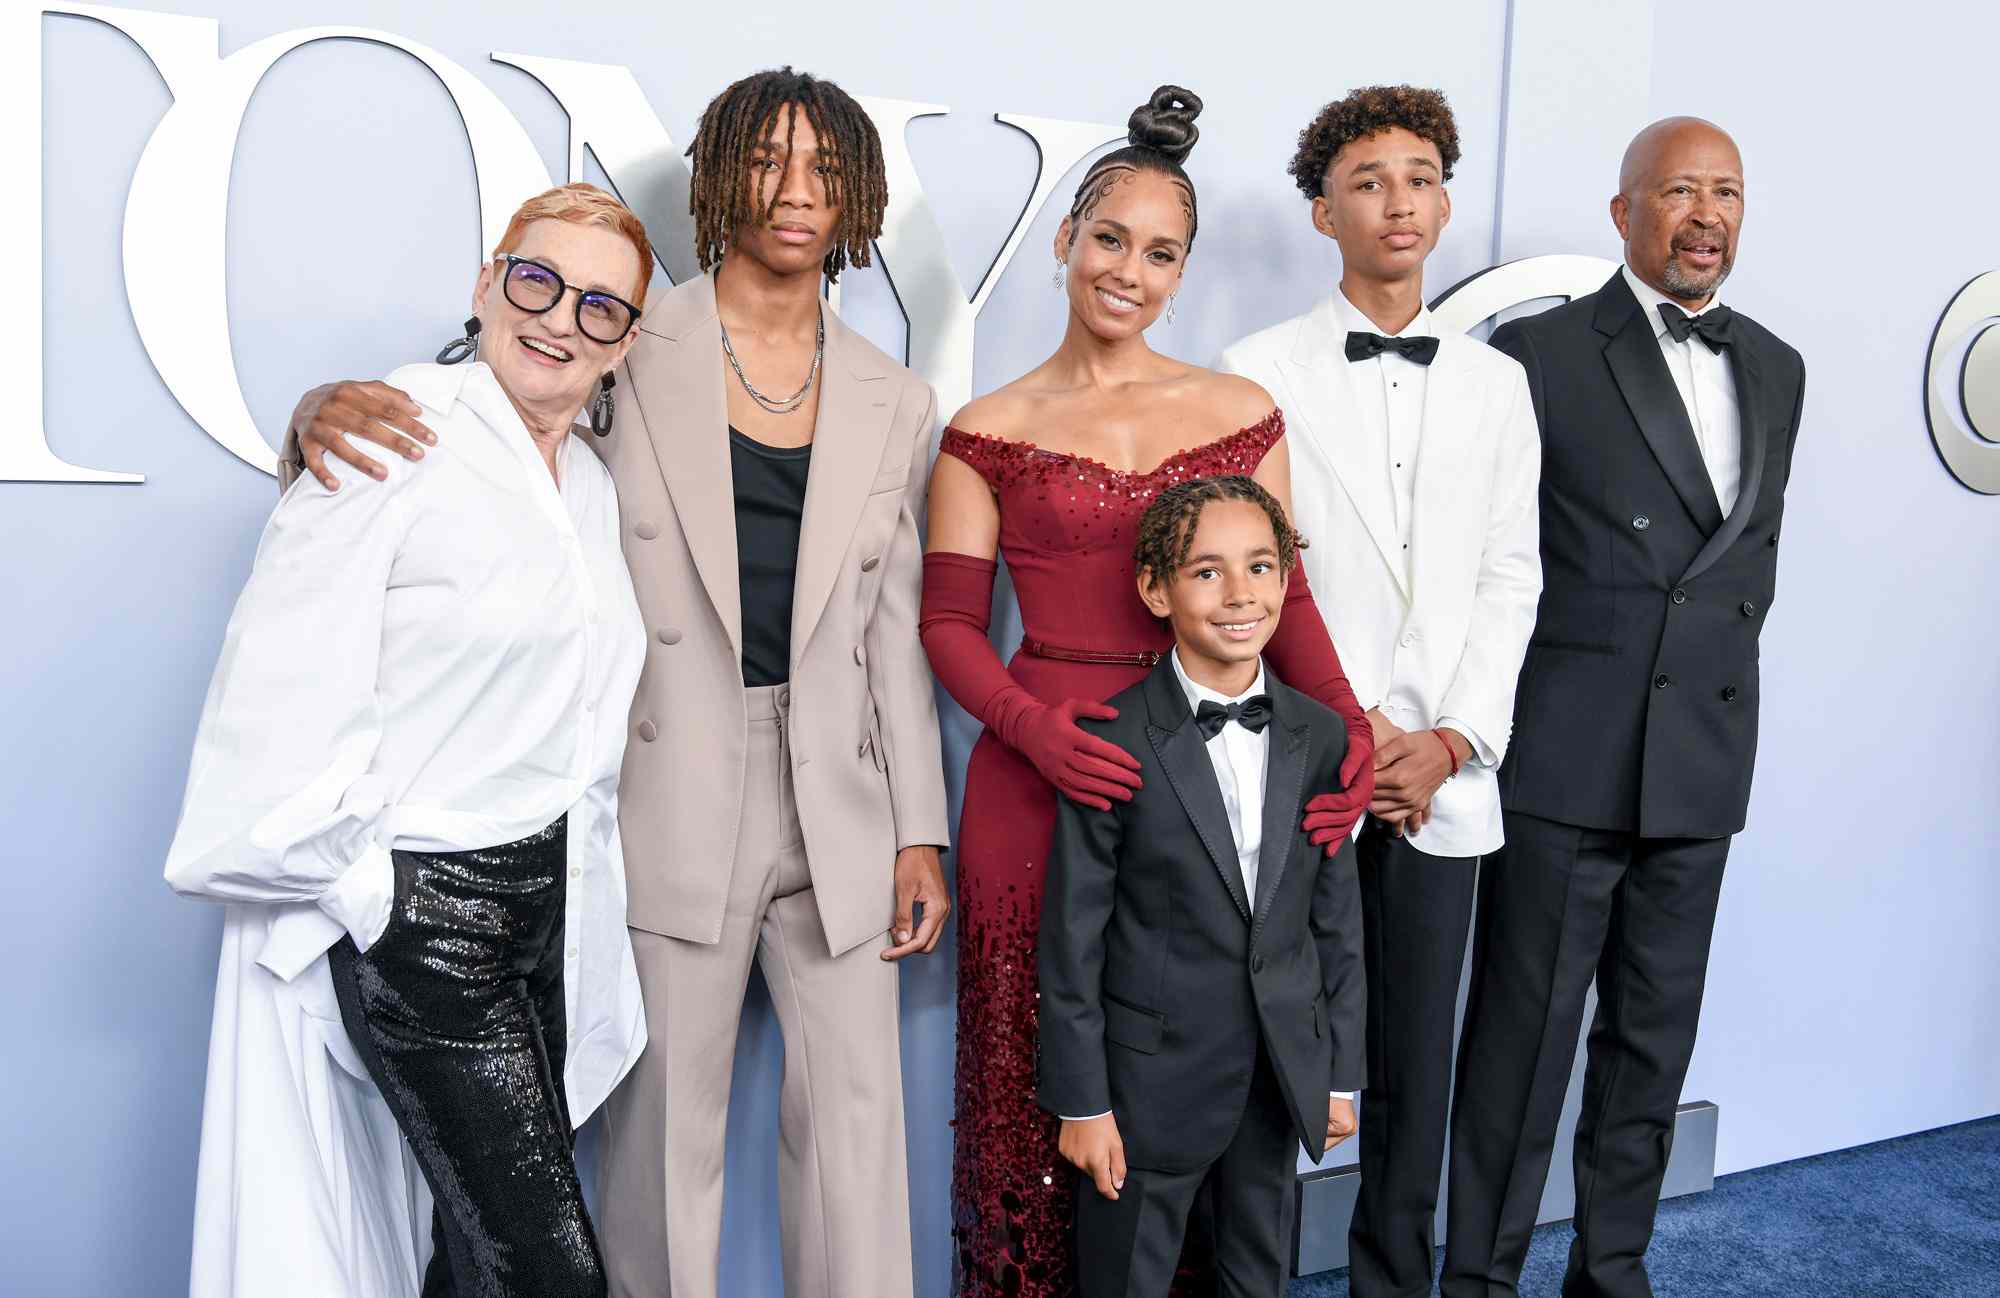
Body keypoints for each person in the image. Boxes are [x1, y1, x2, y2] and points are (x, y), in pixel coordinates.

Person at [279, 68, 951, 1298]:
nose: (795, 190)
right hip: (668, 778)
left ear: (858, 191)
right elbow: (485, 421)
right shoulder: (632, 335)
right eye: (765, 158)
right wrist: (321, 410)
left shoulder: (895, 396)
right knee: (654, 1147)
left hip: (844, 793)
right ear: (717, 175)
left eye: (823, 166)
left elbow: (887, 632)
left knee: (857, 1145)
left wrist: (921, 827)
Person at [918, 85, 1375, 1298]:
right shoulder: (984, 427)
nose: (1128, 269)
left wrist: (1350, 741)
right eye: (1108, 238)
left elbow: (1294, 600)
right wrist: (1030, 731)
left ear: (1181, 274)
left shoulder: (1235, 414)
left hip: (1209, 781)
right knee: (1040, 1075)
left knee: (1195, 1058)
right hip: (1037, 780)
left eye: (1159, 252)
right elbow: (948, 624)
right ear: (1065, 241)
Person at [164, 181, 654, 1297]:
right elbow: (278, 679)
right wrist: (368, 884)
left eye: (598, 306)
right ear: (486, 283)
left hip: (552, 907)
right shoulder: (393, 430)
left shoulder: (586, 482)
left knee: (473, 1262)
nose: (559, 319)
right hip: (428, 917)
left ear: (623, 344)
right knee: (550, 1271)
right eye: (536, 280)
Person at [1441, 117, 1805, 1298]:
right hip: (1567, 748)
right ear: (1623, 213)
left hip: (1699, 753)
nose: (1706, 216)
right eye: (1680, 191)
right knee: (1521, 1049)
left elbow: (1746, 553)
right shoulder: (1536, 352)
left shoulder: (1777, 364)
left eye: (1728, 194)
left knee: (1651, 1046)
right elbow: (1487, 553)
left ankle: (1612, 1272)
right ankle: (1479, 1281)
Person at [1216, 85, 1541, 1298]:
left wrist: (1453, 736)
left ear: (1444, 201)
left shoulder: (1498, 387)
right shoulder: (1253, 374)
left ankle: (1391, 1280)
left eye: (1416, 176)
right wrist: (1351, 726)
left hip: (1438, 785)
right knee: (1266, 1041)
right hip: (1303, 762)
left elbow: (1513, 574)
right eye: (1367, 179)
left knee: (1415, 1061)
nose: (1396, 199)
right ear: (1321, 212)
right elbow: (1258, 569)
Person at [1037, 476, 1367, 1298]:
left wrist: (1336, 1071)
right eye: (1206, 571)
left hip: (1275, 1072)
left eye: (1261, 567)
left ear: (1288, 581)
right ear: (1156, 589)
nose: (1240, 595)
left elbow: (1336, 918)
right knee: (1126, 1279)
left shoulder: (1321, 735)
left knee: (1258, 1274)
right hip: (1146, 1086)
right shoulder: (1113, 738)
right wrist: (1082, 1103)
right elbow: (1073, 938)